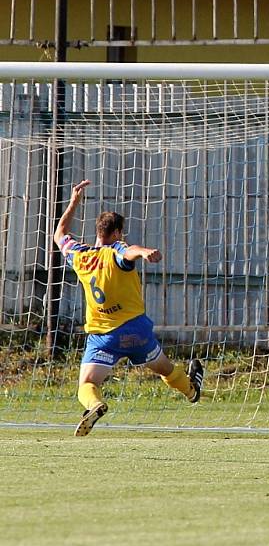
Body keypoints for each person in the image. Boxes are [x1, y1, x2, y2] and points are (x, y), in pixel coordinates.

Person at [54, 180, 204, 437]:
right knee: (166, 370)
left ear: (98, 231)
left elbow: (59, 235)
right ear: (117, 233)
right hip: (135, 332)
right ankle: (191, 391)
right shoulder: (116, 252)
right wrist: (145, 252)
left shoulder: (79, 255)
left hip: (103, 337)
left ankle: (95, 404)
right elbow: (129, 252)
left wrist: (73, 202)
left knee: (88, 384)